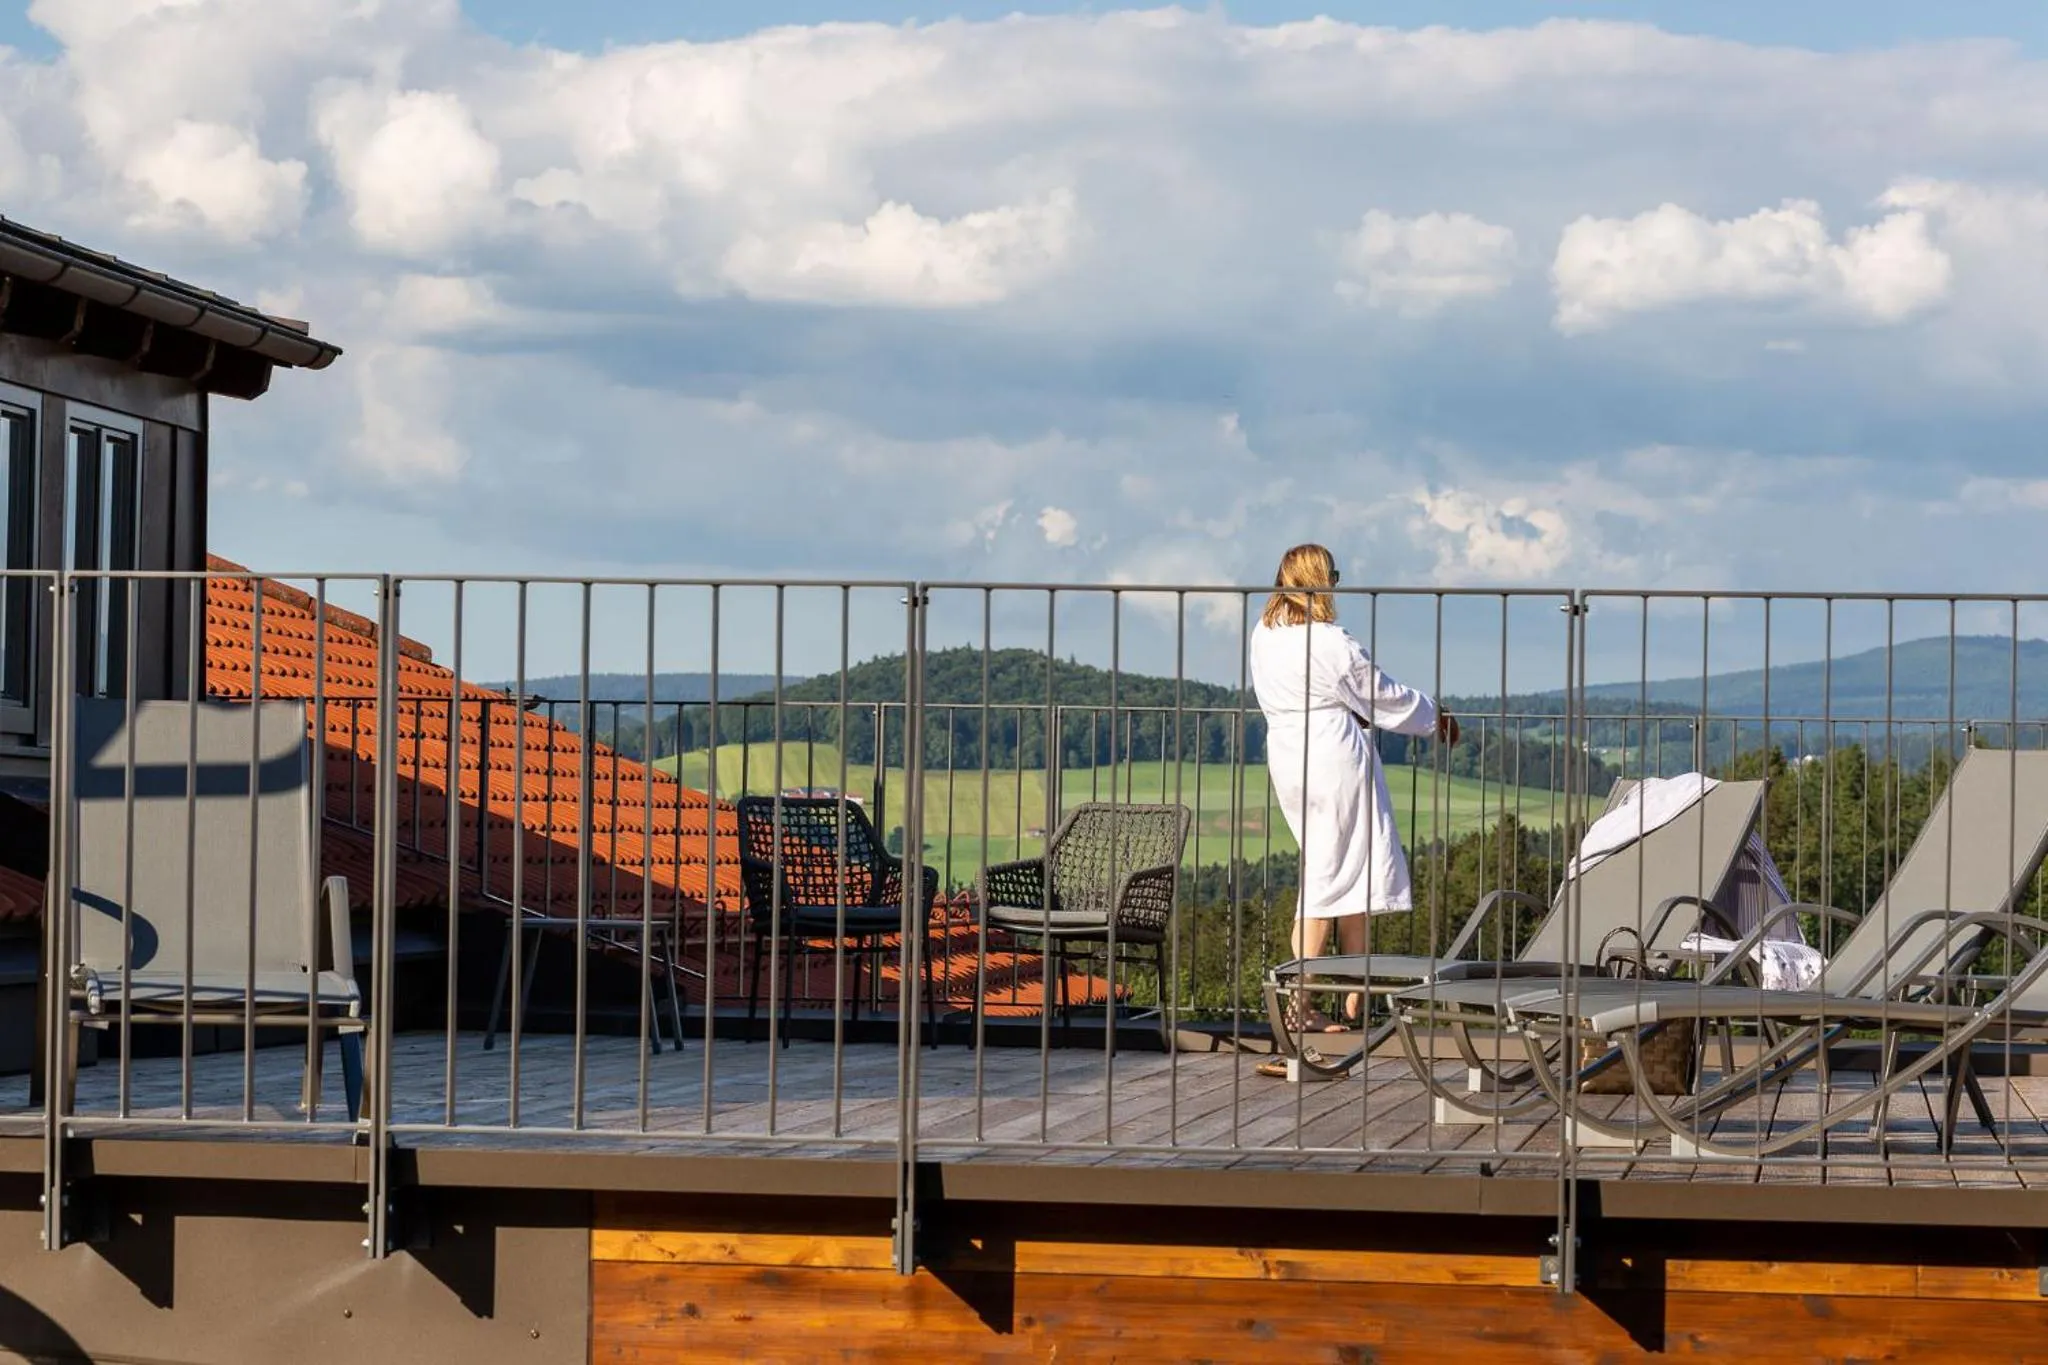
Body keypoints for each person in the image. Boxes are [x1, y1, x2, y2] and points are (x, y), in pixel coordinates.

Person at [1247, 543, 1457, 1052]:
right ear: (1322, 580)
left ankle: (1351, 1000)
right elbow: (1381, 693)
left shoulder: (1265, 637)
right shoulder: (1329, 642)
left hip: (1290, 756)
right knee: (1328, 874)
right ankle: (1301, 1005)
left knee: (1348, 869)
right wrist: (1436, 717)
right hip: (1332, 759)